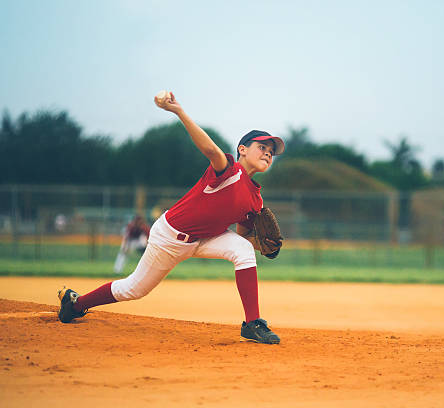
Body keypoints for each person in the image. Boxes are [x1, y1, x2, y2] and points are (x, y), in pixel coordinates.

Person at [57, 91, 285, 344]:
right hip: (170, 236)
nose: (267, 153)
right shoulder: (229, 170)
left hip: (207, 238)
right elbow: (209, 148)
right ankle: (76, 305)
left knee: (243, 250)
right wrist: (178, 111)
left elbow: (242, 236)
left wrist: (257, 243)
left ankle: (252, 323)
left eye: (271, 152)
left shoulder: (256, 198)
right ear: (242, 149)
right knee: (134, 289)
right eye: (262, 147)